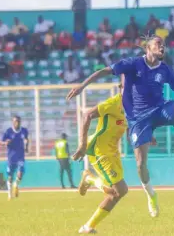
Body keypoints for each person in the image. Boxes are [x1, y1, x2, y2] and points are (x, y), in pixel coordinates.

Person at [66, 34, 174, 218]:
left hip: (160, 110)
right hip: (138, 120)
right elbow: (104, 71)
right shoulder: (133, 64)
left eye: (163, 44)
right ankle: (151, 195)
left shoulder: (165, 70)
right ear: (148, 48)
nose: (162, 47)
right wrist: (82, 86)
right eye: (158, 44)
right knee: (141, 165)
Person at [71, 77, 131, 234]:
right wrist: (82, 145)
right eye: (126, 86)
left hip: (113, 152)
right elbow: (87, 115)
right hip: (99, 150)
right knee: (118, 191)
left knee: (118, 193)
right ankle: (89, 179)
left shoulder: (133, 107)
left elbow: (130, 127)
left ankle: (88, 227)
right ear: (120, 87)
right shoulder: (113, 103)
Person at [0, 116, 29, 200]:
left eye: (19, 121)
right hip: (11, 157)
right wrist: (5, 142)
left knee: (20, 173)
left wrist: (26, 146)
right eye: (16, 121)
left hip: (20, 156)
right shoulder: (8, 131)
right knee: (10, 176)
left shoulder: (24, 130)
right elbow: (1, 141)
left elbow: (27, 139)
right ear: (13, 122)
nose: (17, 123)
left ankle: (16, 184)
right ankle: (9, 194)